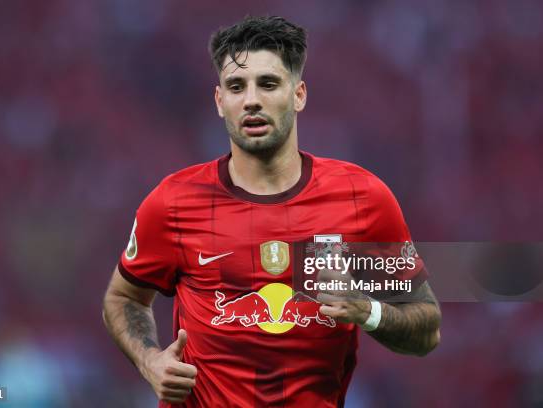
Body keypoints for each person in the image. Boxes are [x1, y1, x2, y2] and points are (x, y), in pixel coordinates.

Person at [102, 15, 441, 407]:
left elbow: (425, 328)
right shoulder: (174, 201)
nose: (251, 100)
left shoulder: (359, 198)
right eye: (236, 86)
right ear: (219, 101)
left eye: (268, 83)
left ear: (298, 95)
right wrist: (149, 361)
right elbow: (124, 298)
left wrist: (368, 311)